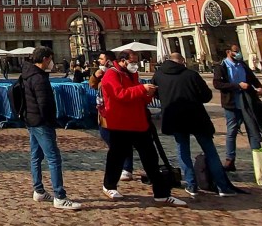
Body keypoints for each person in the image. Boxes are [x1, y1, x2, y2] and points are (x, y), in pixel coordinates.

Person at [100, 50, 186, 206]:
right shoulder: (111, 74)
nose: (135, 65)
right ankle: (109, 185)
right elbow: (120, 94)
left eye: (136, 61)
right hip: (120, 123)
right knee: (116, 157)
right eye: (132, 61)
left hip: (139, 122)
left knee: (150, 158)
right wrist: (142, 89)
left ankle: (161, 194)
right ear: (123, 60)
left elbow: (138, 98)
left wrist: (148, 94)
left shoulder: (133, 75)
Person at [152, 53, 242, 197]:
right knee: (210, 151)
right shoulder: (191, 74)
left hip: (174, 117)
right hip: (196, 116)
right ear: (182, 61)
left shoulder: (158, 75)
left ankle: (191, 185)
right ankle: (222, 187)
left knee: (182, 150)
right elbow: (206, 96)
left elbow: (155, 94)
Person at [21, 46, 82, 211]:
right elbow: (44, 103)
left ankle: (39, 191)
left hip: (31, 120)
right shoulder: (39, 78)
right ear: (46, 59)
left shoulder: (26, 74)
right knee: (54, 158)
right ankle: (60, 197)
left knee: (36, 156)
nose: (52, 62)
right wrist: (51, 121)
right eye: (51, 59)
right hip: (41, 122)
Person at [212, 44, 262, 171]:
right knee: (232, 131)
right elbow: (217, 84)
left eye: (238, 51)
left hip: (248, 102)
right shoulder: (221, 66)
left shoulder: (242, 64)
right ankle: (230, 159)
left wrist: (260, 87)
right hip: (232, 103)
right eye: (235, 51)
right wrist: (237, 86)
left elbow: (253, 78)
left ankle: (259, 159)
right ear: (228, 52)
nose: (238, 53)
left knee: (252, 129)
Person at [91, 53, 133, 181]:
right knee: (110, 139)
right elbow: (92, 85)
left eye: (101, 59)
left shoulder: (117, 72)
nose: (99, 60)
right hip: (103, 113)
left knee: (121, 142)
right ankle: (121, 166)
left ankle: (126, 168)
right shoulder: (101, 72)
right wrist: (95, 76)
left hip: (115, 112)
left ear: (108, 60)